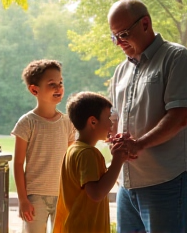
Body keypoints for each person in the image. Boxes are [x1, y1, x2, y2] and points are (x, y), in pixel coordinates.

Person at [107, 0, 187, 233]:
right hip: (127, 185)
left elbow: (180, 116)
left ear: (145, 24)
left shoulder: (177, 58)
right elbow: (114, 120)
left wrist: (138, 144)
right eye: (114, 37)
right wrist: (111, 137)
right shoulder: (121, 70)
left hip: (167, 180)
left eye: (124, 34)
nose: (119, 43)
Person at [11, 59, 76, 233]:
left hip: (62, 195)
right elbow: (18, 164)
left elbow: (72, 163)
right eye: (52, 84)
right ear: (34, 90)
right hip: (34, 198)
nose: (58, 88)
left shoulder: (68, 123)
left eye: (60, 83)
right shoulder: (26, 123)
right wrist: (23, 200)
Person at [52, 91, 131, 233]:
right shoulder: (87, 153)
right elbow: (96, 193)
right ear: (93, 122)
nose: (111, 123)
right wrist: (117, 161)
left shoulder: (74, 150)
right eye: (108, 118)